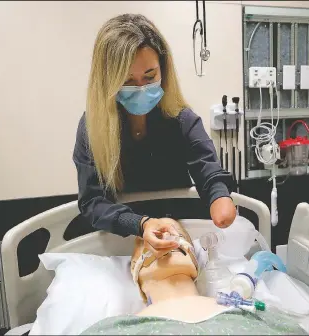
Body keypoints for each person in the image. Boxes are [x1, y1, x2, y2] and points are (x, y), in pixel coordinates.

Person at [73, 13, 236, 257]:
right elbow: (92, 202)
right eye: (127, 80)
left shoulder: (182, 120)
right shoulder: (92, 129)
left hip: (180, 231)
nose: (140, 88)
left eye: (149, 77)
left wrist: (219, 196)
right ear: (108, 81)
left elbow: (206, 166)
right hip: (122, 242)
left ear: (163, 70)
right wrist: (140, 224)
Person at [80, 218, 308, 335]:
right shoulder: (109, 330)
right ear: (134, 268)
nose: (167, 236)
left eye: (177, 235)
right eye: (154, 238)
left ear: (195, 262)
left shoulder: (262, 318)